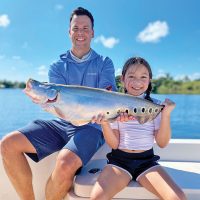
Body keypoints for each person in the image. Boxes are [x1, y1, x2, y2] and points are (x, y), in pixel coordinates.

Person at [1, 7, 116, 200]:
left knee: (65, 162)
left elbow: (107, 97)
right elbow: (58, 106)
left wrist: (102, 116)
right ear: (69, 32)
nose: (80, 33)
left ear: (93, 33)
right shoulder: (57, 66)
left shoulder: (104, 63)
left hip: (93, 127)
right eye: (76, 28)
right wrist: (44, 99)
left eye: (85, 28)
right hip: (62, 122)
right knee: (8, 144)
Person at [90, 57, 187, 200]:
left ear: (149, 81)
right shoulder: (113, 105)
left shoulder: (156, 106)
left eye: (143, 77)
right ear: (122, 79)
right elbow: (114, 144)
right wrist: (104, 123)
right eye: (131, 76)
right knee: (97, 198)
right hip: (119, 162)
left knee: (178, 197)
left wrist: (165, 115)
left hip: (147, 162)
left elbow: (162, 143)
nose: (137, 82)